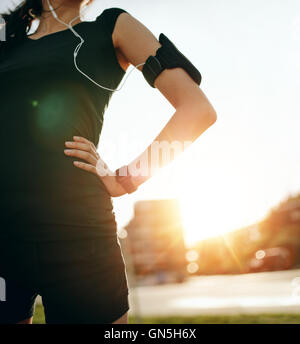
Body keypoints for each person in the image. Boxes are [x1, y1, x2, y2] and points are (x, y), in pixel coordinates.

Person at [0, 0, 217, 324]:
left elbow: (197, 110)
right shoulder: (7, 43)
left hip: (78, 234)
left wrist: (128, 178)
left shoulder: (112, 27)